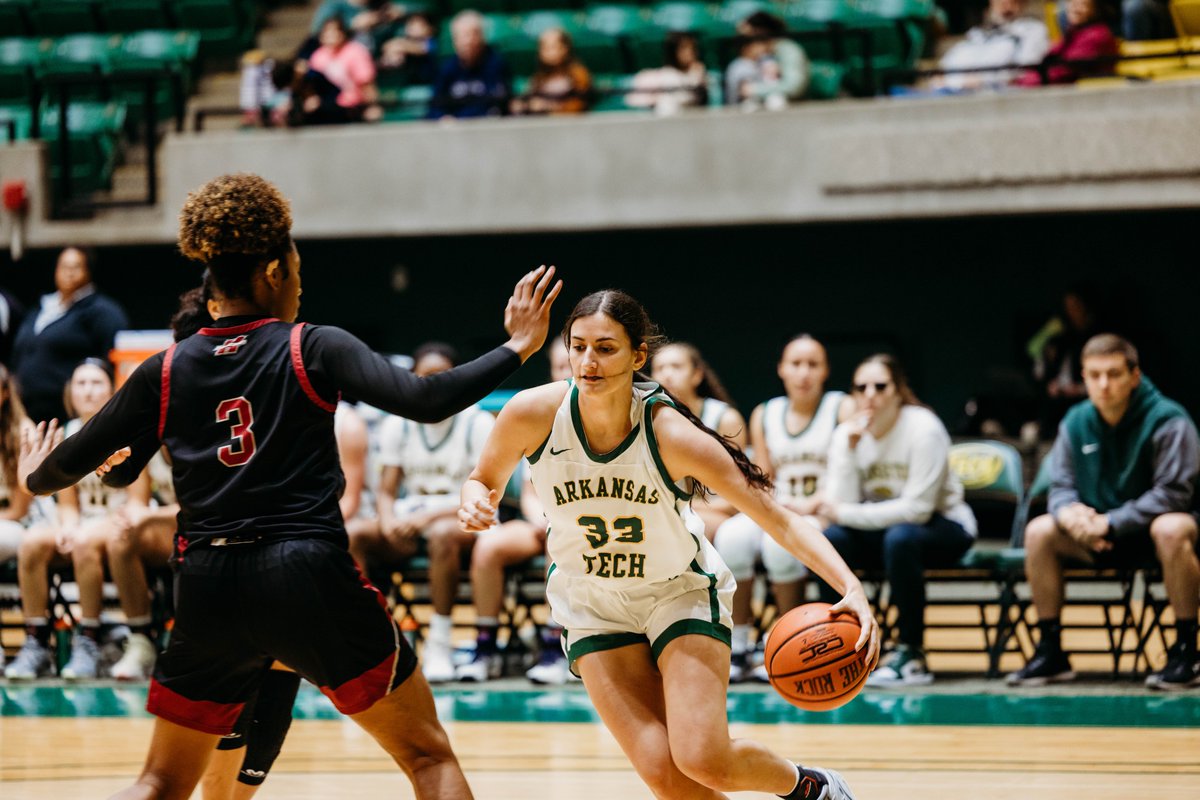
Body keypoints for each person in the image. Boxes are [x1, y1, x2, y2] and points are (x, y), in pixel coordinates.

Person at [17, 172, 561, 800]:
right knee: (427, 756)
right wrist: (517, 346)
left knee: (160, 781)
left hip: (208, 586)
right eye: (297, 270)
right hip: (305, 573)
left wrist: (36, 468)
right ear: (274, 269)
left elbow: (61, 469)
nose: (300, 284)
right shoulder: (313, 345)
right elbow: (428, 398)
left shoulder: (162, 369)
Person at [458, 290, 878, 800]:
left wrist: (850, 586)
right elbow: (481, 478)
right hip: (591, 603)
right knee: (664, 774)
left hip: (676, 593)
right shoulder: (531, 413)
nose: (589, 362)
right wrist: (476, 499)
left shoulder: (672, 433)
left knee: (704, 758)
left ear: (638, 356)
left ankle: (811, 787)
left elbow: (779, 520)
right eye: (578, 346)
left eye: (606, 348)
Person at [1007, 334, 1200, 691]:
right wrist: (1072, 518)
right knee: (1040, 530)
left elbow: (1173, 494)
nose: (1104, 385)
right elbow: (1060, 486)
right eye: (1094, 375)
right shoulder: (1075, 421)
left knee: (1172, 528)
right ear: (1083, 377)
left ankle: (1187, 650)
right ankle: (1051, 650)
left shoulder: (1169, 420)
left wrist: (1111, 524)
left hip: (1154, 536)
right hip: (1093, 537)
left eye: (1113, 374)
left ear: (1135, 375)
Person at [814, 354, 977, 687]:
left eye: (880, 386)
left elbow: (919, 509)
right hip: (886, 531)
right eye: (861, 387)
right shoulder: (849, 433)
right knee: (831, 539)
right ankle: (838, 648)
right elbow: (838, 502)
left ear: (899, 390)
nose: (870, 394)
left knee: (901, 538)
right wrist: (847, 449)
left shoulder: (923, 428)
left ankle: (911, 653)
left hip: (946, 526)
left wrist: (844, 513)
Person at [347, 341, 497, 683]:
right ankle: (372, 638)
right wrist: (386, 519)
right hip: (411, 520)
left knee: (443, 535)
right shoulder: (397, 424)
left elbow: (487, 491)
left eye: (443, 376)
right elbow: (386, 491)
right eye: (427, 376)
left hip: (465, 519)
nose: (435, 383)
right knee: (355, 534)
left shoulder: (477, 422)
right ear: (413, 379)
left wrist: (427, 518)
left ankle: (440, 644)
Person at [714, 334, 853, 682]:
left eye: (812, 364)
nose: (803, 372)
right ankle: (742, 643)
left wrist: (808, 505)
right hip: (781, 506)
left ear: (825, 371)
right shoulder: (766, 413)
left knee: (779, 547)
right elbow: (764, 476)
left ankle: (789, 640)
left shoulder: (841, 406)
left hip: (825, 508)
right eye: (795, 364)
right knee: (731, 536)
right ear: (781, 369)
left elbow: (849, 472)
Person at [6, 359, 153, 680]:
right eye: (81, 384)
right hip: (84, 520)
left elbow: (137, 499)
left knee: (85, 541)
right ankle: (36, 642)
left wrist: (83, 529)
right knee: (32, 543)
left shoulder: (125, 430)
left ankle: (89, 639)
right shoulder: (68, 434)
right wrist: (67, 524)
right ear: (69, 392)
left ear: (113, 391)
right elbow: (67, 503)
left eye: (96, 383)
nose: (88, 391)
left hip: (117, 521)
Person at [11, 246, 129, 424]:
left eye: (75, 267)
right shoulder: (41, 309)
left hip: (69, 413)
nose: (69, 273)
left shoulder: (101, 311)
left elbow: (115, 358)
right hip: (26, 412)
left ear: (88, 270)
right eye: (63, 267)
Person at [650, 342, 747, 541]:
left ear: (697, 375)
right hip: (670, 512)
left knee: (682, 529)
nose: (667, 374)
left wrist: (682, 506)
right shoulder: (648, 418)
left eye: (676, 367)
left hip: (717, 512)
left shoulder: (725, 418)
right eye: (660, 368)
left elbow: (737, 497)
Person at [933, 0, 1050, 91]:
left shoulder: (1032, 30)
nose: (1006, 3)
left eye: (1014, 0)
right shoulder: (978, 34)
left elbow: (1024, 70)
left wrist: (982, 80)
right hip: (953, 91)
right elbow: (945, 68)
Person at [428, 10, 512, 119]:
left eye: (473, 34)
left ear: (482, 37)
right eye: (462, 36)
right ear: (454, 41)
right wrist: (444, 117)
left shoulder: (496, 65)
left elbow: (501, 103)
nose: (468, 41)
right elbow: (435, 107)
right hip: (455, 130)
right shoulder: (447, 69)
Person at [1014, 0, 1117, 86]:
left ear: (1096, 10)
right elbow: (1050, 57)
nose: (1075, 9)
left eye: (1083, 5)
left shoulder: (1097, 35)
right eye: (1072, 3)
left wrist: (1025, 81)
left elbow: (1066, 70)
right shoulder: (1074, 32)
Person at [308, 17, 380, 122]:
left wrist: (372, 106)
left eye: (335, 30)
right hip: (326, 105)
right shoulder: (318, 56)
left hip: (353, 106)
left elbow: (366, 83)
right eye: (327, 31)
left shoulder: (356, 51)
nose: (331, 35)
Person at [511, 28, 593, 116]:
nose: (549, 52)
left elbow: (580, 104)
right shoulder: (539, 77)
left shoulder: (578, 74)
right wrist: (524, 105)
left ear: (565, 48)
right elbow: (529, 98)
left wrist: (549, 107)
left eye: (553, 47)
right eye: (544, 48)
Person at [626, 31, 708, 113]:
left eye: (693, 48)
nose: (690, 52)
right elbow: (683, 98)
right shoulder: (668, 74)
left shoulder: (698, 70)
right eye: (684, 48)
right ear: (673, 51)